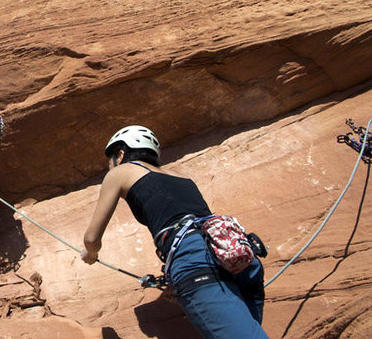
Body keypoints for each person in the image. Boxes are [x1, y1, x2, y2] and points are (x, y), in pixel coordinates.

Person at [81, 125, 267, 339]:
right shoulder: (181, 177)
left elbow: (91, 238)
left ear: (120, 153)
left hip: (196, 262)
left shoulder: (120, 172)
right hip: (236, 255)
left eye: (110, 159)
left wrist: (91, 254)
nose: (109, 166)